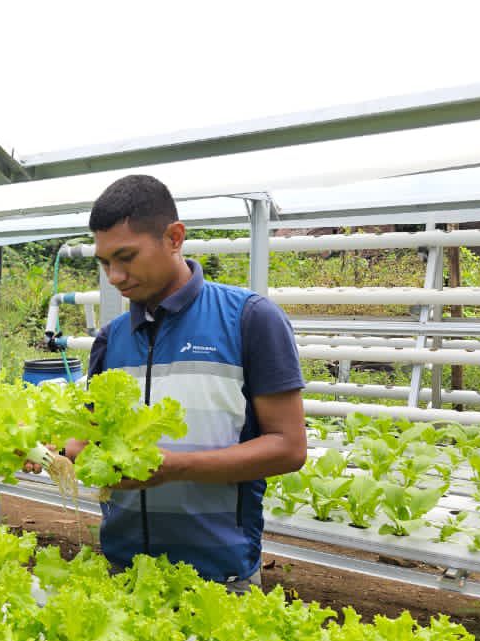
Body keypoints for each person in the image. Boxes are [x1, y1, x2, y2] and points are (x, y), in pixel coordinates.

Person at [71, 174, 306, 591]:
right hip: (124, 571)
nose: (115, 276)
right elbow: (90, 441)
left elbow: (288, 447)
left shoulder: (249, 319)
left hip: (218, 579)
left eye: (126, 257)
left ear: (174, 238)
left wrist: (176, 467)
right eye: (105, 263)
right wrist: (51, 450)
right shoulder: (112, 339)